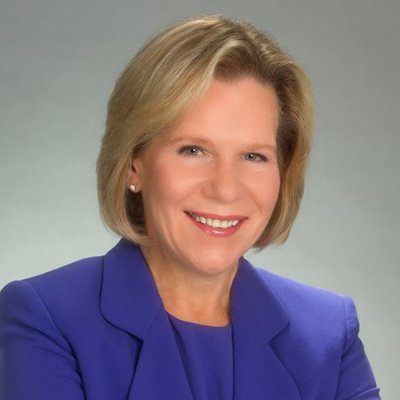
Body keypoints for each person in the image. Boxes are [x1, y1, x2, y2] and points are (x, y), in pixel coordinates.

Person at [0, 14, 380, 400]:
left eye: (253, 156)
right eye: (193, 150)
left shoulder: (329, 335)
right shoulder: (47, 320)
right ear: (133, 164)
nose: (225, 189)